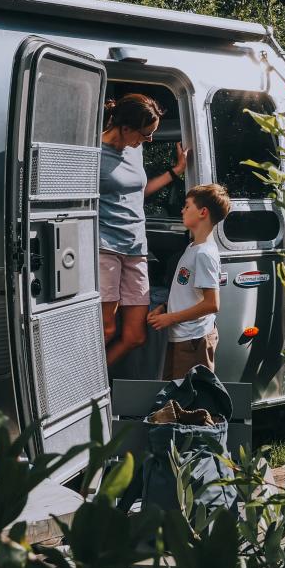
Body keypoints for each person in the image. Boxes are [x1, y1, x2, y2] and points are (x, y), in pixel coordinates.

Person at [99, 93, 189, 366]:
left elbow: (138, 192)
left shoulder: (134, 149)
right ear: (126, 128)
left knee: (135, 335)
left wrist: (175, 172)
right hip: (105, 247)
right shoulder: (94, 153)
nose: (149, 140)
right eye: (146, 133)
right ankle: (80, 384)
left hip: (136, 247)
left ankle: (88, 381)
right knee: (106, 329)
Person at [148, 183, 231, 380]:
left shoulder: (204, 254)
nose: (182, 210)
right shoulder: (193, 247)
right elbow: (190, 294)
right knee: (174, 390)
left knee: (191, 394)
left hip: (194, 341)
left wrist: (171, 318)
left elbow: (212, 304)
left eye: (187, 206)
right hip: (183, 336)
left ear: (203, 212)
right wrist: (165, 307)